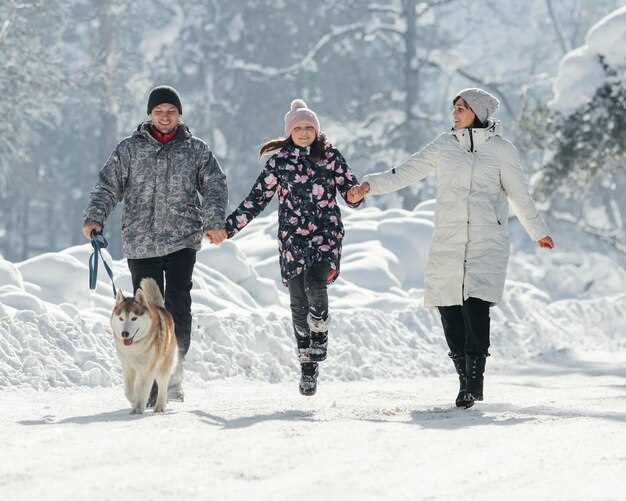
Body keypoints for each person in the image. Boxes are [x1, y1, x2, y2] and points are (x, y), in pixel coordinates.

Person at [347, 88, 555, 408]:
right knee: (450, 309)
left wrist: (537, 231)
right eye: (453, 108)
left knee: (476, 304)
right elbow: (407, 171)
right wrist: (369, 186)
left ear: (479, 112)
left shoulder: (502, 150)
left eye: (462, 108)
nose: (455, 113)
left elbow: (519, 194)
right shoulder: (444, 146)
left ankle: (474, 382)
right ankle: (463, 379)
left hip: (487, 239)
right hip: (448, 239)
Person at [82, 85, 228, 403]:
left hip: (181, 240)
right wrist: (95, 217)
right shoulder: (129, 150)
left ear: (179, 115)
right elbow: (108, 185)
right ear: (149, 115)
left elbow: (215, 184)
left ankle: (171, 374)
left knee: (178, 305)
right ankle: (149, 377)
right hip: (141, 242)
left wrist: (215, 221)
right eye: (159, 111)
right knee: (147, 310)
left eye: (171, 112)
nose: (165, 117)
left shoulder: (196, 150)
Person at [209, 99, 362, 396]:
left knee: (315, 282)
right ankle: (308, 367)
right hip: (292, 240)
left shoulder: (330, 158)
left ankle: (320, 331)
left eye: (309, 128)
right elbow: (255, 201)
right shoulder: (279, 164)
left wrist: (356, 195)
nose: (304, 132)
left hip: (326, 236)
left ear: (317, 130)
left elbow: (351, 193)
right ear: (289, 132)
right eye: (298, 128)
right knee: (297, 303)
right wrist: (227, 229)